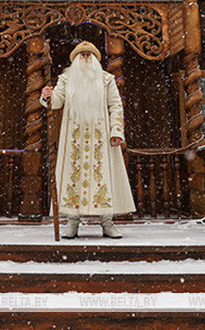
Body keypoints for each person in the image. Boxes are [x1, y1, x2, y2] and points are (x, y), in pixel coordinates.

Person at [40, 41, 136, 238]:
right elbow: (56, 103)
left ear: (95, 59)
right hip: (73, 138)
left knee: (103, 177)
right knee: (72, 177)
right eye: (81, 54)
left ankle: (107, 223)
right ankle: (72, 223)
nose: (85, 57)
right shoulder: (66, 79)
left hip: (101, 138)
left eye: (89, 54)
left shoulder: (106, 79)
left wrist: (116, 131)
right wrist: (47, 95)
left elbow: (116, 105)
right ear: (75, 59)